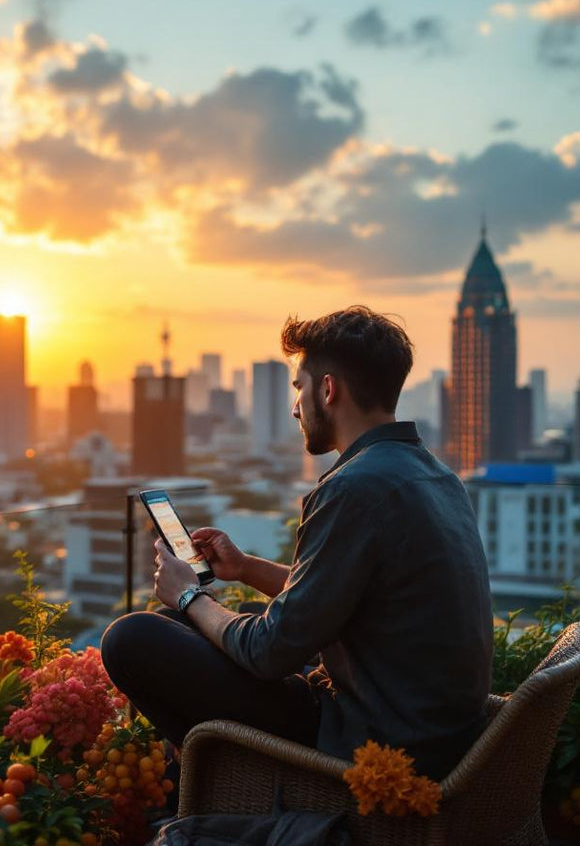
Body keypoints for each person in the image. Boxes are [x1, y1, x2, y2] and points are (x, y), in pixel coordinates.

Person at [100, 306, 493, 782]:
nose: (295, 407)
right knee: (176, 623)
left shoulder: (353, 489)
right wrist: (244, 567)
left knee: (131, 638)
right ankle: (200, 777)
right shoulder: (435, 475)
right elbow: (341, 599)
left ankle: (223, 783)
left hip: (371, 744)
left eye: (299, 388)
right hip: (428, 732)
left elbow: (270, 653)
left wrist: (190, 594)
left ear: (328, 390)